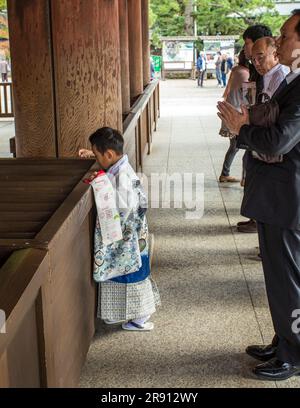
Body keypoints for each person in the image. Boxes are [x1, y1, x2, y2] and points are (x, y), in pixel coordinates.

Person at [217, 10, 300, 380]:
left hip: (289, 197)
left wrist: (242, 130)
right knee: (277, 276)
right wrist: (248, 122)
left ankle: (294, 354)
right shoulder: (292, 82)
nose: (279, 42)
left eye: (285, 36)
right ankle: (283, 340)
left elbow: (282, 138)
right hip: (276, 194)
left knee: (289, 278)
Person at [79, 128, 160, 331]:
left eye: (97, 155)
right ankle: (129, 316)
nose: (96, 158)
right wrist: (95, 159)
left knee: (131, 275)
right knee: (130, 274)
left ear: (109, 154)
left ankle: (139, 318)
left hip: (127, 238)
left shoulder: (122, 177)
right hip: (132, 235)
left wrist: (100, 184)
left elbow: (123, 209)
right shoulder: (120, 165)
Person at [237, 23, 273, 234]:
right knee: (251, 169)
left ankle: (259, 220)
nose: (245, 48)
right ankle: (255, 217)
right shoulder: (255, 67)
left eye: (247, 43)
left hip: (265, 134)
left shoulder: (277, 71)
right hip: (254, 127)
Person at [219, 50, 250, 183]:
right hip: (237, 114)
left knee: (235, 147)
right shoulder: (245, 74)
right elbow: (248, 97)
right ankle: (242, 177)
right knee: (243, 147)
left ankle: (226, 173)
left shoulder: (237, 70)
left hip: (230, 111)